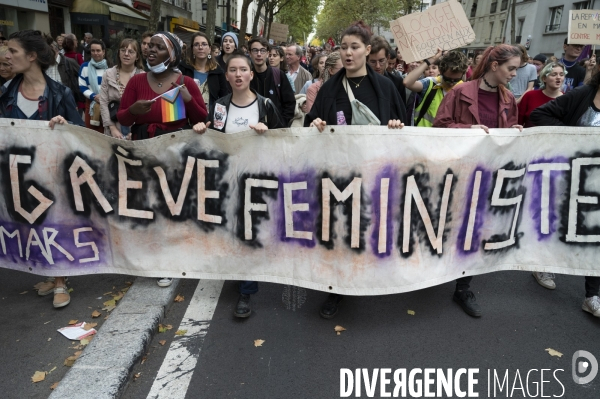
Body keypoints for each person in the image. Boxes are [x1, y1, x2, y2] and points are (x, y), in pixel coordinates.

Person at [305, 21, 406, 319]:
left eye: (355, 47)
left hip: (377, 175)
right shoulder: (329, 89)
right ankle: (335, 289)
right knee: (338, 231)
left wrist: (396, 127)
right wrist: (315, 124)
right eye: (343, 48)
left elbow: (405, 131)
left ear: (368, 50)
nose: (348, 53)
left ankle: (370, 277)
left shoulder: (387, 87)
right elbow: (311, 122)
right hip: (340, 175)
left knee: (372, 228)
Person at [433, 44, 523, 317]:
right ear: (495, 66)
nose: (514, 74)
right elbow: (439, 127)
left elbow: (506, 137)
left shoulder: (508, 99)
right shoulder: (461, 92)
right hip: (458, 175)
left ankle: (463, 287)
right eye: (511, 68)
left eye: (517, 69)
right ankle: (431, 272)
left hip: (488, 178)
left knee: (475, 231)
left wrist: (515, 132)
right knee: (447, 227)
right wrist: (466, 129)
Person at [192, 52, 285, 317]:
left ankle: (246, 290)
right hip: (227, 179)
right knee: (232, 230)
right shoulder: (220, 107)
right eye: (232, 70)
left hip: (257, 181)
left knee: (249, 232)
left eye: (243, 69)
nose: (238, 75)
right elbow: (214, 141)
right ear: (227, 75)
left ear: (251, 74)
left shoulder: (265, 105)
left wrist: (267, 134)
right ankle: (240, 272)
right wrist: (202, 130)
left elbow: (285, 139)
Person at [0, 30, 84, 309]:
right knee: (30, 226)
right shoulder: (5, 93)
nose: (6, 56)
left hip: (52, 175)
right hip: (18, 174)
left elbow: (80, 137)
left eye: (12, 51)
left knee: (55, 224)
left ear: (32, 56)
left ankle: (61, 280)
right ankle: (49, 274)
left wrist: (65, 127)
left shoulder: (60, 94)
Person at [529, 64, 600, 318]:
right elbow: (540, 115)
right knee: (561, 222)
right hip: (573, 174)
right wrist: (570, 138)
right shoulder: (583, 95)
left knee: (596, 234)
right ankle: (544, 265)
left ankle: (592, 295)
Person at [404, 49, 468, 127]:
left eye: (456, 80)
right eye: (447, 79)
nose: (451, 83)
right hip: (424, 136)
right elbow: (407, 82)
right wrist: (430, 61)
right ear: (440, 71)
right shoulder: (430, 83)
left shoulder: (464, 90)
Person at [99, 38, 143, 139]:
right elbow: (104, 102)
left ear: (137, 56)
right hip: (113, 129)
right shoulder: (108, 74)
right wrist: (112, 128)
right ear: (119, 53)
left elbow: (144, 109)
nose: (126, 54)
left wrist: (136, 131)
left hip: (135, 130)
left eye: (131, 51)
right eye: (123, 50)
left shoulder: (142, 76)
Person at [248, 37, 296, 126]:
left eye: (262, 50)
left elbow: (289, 103)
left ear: (267, 53)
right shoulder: (246, 76)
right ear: (249, 53)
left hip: (275, 132)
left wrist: (282, 123)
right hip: (251, 129)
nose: (259, 54)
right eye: (255, 50)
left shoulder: (278, 75)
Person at [179, 32, 228, 110]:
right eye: (196, 44)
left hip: (209, 117)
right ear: (192, 49)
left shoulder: (218, 72)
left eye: (204, 44)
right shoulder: (183, 68)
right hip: (186, 116)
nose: (200, 47)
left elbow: (224, 98)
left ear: (209, 49)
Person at [517, 62, 565, 128]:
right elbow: (518, 121)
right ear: (544, 78)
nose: (558, 77)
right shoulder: (530, 96)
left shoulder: (566, 99)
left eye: (561, 75)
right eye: (554, 75)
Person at [78, 39, 109, 132]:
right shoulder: (84, 67)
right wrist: (94, 96)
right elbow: (82, 86)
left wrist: (103, 96)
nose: (95, 53)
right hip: (90, 104)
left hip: (107, 104)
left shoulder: (110, 67)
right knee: (91, 134)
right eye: (93, 50)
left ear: (103, 52)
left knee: (106, 134)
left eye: (98, 50)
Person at [368, 36, 406, 104]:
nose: (378, 66)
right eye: (373, 62)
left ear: (388, 58)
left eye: (381, 61)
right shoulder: (359, 82)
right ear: (366, 60)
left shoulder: (397, 82)